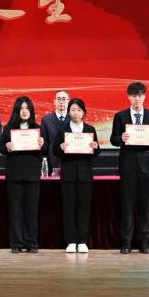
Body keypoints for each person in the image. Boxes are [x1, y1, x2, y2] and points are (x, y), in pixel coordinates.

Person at [110, 80, 149, 254]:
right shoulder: (120, 116)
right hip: (128, 165)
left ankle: (144, 242)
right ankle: (126, 242)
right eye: (134, 95)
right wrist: (121, 138)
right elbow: (113, 139)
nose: (137, 98)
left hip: (147, 165)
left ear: (144, 97)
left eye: (140, 95)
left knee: (145, 206)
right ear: (128, 97)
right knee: (127, 205)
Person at [0, 96, 47, 253]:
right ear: (16, 111)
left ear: (31, 111)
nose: (24, 111)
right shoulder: (9, 128)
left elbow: (45, 150)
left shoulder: (38, 128)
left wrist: (42, 145)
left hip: (32, 174)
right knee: (15, 211)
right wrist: (7, 146)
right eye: (21, 108)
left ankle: (32, 243)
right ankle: (16, 243)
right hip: (14, 174)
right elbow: (1, 148)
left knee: (31, 211)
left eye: (27, 108)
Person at [53, 96, 100, 253]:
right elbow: (55, 150)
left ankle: (82, 241)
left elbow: (96, 152)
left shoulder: (90, 129)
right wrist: (61, 147)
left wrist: (95, 147)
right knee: (69, 208)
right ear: (68, 112)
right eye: (73, 110)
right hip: (68, 174)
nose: (76, 113)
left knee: (84, 208)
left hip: (85, 174)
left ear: (84, 112)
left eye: (79, 110)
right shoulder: (63, 130)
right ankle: (71, 241)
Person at [40, 90, 70, 174]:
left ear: (68, 101)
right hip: (52, 160)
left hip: (69, 160)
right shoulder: (46, 119)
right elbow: (45, 144)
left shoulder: (73, 119)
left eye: (64, 99)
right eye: (58, 99)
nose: (61, 102)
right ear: (54, 101)